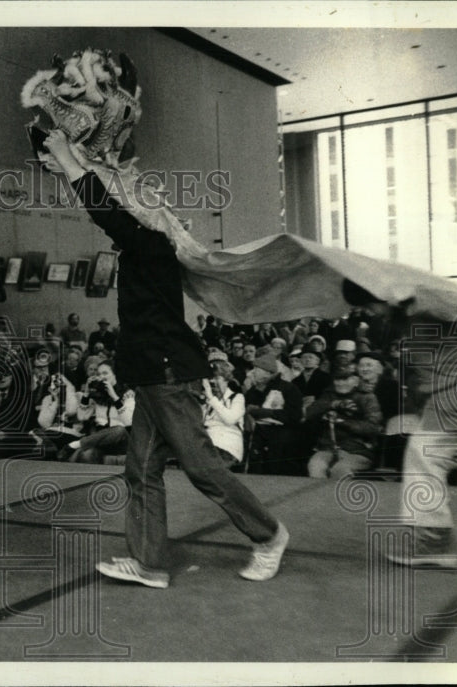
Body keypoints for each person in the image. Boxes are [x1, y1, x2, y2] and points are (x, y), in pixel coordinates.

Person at [44, 130, 288, 589]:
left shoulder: (152, 245)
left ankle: (269, 535)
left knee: (199, 465)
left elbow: (106, 210)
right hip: (153, 375)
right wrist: (71, 166)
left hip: (167, 373)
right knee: (141, 469)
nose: (133, 200)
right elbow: (112, 206)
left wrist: (67, 159)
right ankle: (150, 563)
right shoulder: (145, 248)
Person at [342, 282, 457, 568]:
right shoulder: (407, 315)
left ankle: (434, 540)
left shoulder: (426, 305)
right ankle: (434, 538)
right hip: (447, 393)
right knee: (423, 456)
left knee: (423, 457)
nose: (370, 313)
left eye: (370, 305)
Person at [305, 367, 383, 479]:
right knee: (315, 466)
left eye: (345, 379)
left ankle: (337, 496)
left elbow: (373, 427)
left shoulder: (367, 397)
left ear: (356, 380)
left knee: (340, 469)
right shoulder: (328, 395)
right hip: (328, 447)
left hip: (357, 449)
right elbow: (308, 414)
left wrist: (342, 422)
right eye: (338, 379)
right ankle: (320, 496)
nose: (340, 383)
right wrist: (333, 404)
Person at [244, 352, 305, 475]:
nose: (253, 372)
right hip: (258, 434)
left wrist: (264, 412)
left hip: (281, 436)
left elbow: (295, 415)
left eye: (257, 369)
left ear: (268, 372)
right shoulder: (253, 391)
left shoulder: (289, 389)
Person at [62, 361, 134, 464]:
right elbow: (82, 417)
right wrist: (86, 393)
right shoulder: (97, 394)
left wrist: (114, 397)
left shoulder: (128, 394)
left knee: (119, 430)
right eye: (99, 374)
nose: (102, 377)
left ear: (115, 374)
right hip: (100, 439)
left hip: (121, 440)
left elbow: (129, 422)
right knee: (87, 455)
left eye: (105, 373)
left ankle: (76, 444)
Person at [201, 351, 246, 469]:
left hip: (227, 446)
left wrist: (211, 398)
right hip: (208, 445)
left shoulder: (237, 398)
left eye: (217, 378)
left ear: (227, 378)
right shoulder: (207, 400)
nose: (213, 382)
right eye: (210, 379)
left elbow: (230, 419)